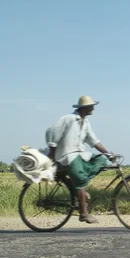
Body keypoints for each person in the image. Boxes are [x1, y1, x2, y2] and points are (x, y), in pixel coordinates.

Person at [46, 95, 113, 224]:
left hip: (79, 154)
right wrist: (52, 152)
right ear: (86, 107)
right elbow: (52, 132)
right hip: (67, 155)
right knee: (80, 178)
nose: (93, 108)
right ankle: (83, 213)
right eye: (92, 106)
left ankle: (80, 190)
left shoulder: (85, 123)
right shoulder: (68, 119)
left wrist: (108, 154)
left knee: (100, 162)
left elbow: (94, 141)